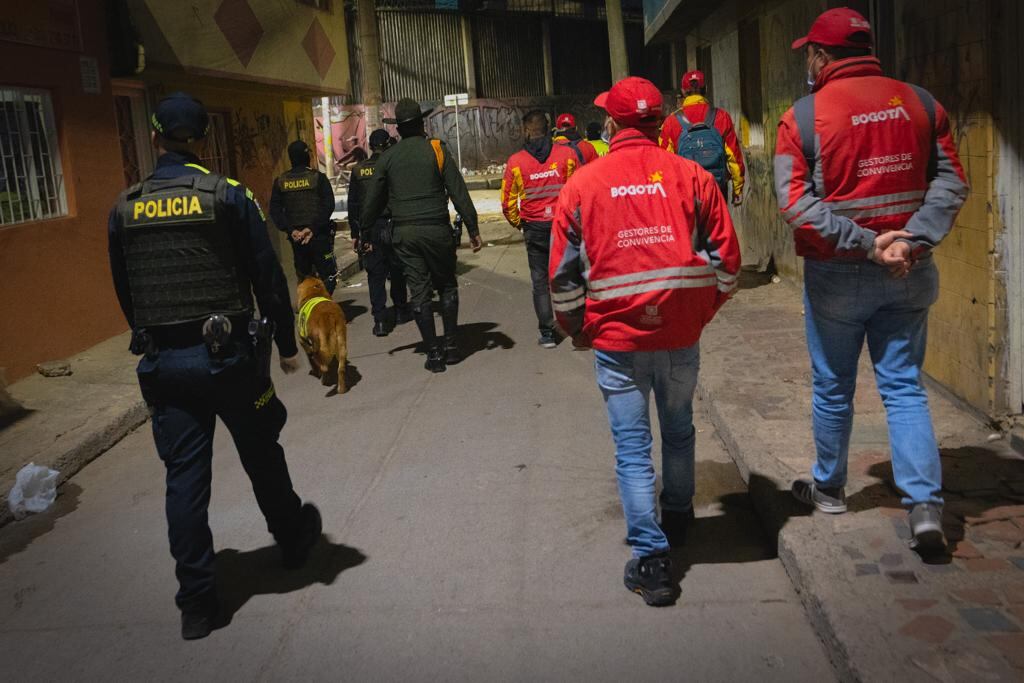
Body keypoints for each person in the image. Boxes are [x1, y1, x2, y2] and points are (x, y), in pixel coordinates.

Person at [107, 93, 322, 640]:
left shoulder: (125, 205)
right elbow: (265, 273)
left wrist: (157, 334)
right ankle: (294, 541)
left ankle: (198, 607)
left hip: (165, 363)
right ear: (202, 138)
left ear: (154, 138)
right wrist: (287, 346)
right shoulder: (228, 195)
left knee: (184, 481)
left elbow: (126, 291)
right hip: (228, 361)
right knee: (261, 452)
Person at [776, 8, 968, 554]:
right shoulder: (922, 103)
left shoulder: (805, 117)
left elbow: (794, 202)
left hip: (838, 276)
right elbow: (952, 183)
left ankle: (831, 490)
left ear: (819, 56)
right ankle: (925, 508)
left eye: (807, 54)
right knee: (905, 389)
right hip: (910, 269)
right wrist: (909, 239)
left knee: (835, 387)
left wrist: (866, 243)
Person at [550, 77, 741, 606]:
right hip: (680, 338)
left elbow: (564, 279)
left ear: (611, 125)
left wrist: (577, 329)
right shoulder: (692, 177)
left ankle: (653, 561)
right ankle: (678, 517)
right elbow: (728, 263)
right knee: (679, 430)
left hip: (617, 343)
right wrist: (698, 313)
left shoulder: (583, 186)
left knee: (634, 448)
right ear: (660, 124)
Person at [360, 97, 483, 373]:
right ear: (421, 123)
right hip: (437, 230)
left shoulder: (388, 158)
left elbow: (372, 201)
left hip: (405, 235)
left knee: (420, 292)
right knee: (447, 286)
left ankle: (434, 353)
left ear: (398, 129)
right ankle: (451, 347)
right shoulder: (436, 150)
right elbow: (457, 190)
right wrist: (472, 227)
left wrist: (364, 231)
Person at [500, 110, 579, 348]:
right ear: (548, 129)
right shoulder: (567, 155)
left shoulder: (516, 162)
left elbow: (507, 202)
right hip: (562, 226)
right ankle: (578, 328)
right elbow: (577, 193)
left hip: (534, 228)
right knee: (570, 276)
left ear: (526, 131)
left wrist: (520, 222)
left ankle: (547, 333)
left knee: (540, 282)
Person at [347, 129, 411, 337]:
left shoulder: (358, 171)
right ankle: (401, 311)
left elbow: (353, 205)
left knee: (375, 275)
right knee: (397, 270)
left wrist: (356, 233)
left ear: (371, 146)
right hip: (392, 225)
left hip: (370, 228)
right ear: (386, 145)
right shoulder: (393, 166)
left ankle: (381, 321)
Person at [659, 70, 745, 205]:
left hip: (687, 193)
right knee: (718, 225)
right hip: (716, 189)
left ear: (683, 91)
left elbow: (664, 162)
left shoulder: (671, 122)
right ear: (706, 89)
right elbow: (734, 157)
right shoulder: (721, 117)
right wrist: (738, 190)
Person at [269, 140, 339, 294]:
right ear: (307, 156)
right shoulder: (318, 178)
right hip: (319, 236)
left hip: (297, 239)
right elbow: (328, 205)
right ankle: (324, 308)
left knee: (304, 277)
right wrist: (312, 229)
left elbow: (275, 210)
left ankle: (308, 308)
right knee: (328, 276)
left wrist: (291, 230)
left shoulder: (281, 181)